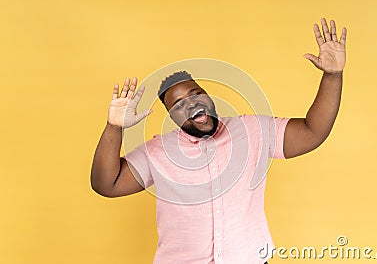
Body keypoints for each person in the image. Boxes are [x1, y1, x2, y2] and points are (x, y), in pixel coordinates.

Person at [91, 18, 347, 263]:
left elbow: (312, 132)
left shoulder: (252, 130)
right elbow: (107, 184)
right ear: (172, 117)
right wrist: (114, 127)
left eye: (196, 93)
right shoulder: (158, 152)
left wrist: (332, 76)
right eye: (179, 104)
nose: (192, 103)